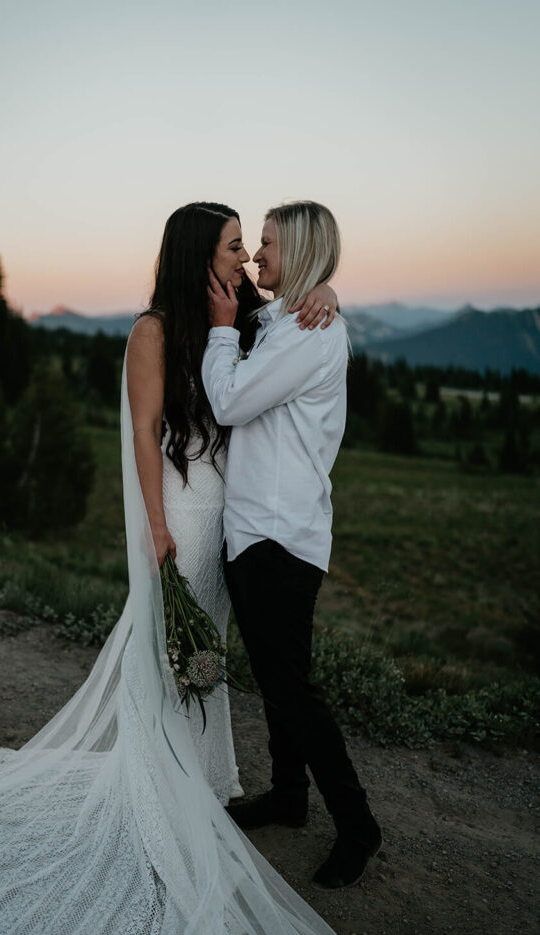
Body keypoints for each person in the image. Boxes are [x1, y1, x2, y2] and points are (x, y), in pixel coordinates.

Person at [0, 202, 414, 935]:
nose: (248, 255)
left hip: (252, 524)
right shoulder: (162, 328)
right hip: (194, 518)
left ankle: (277, 798)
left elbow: (283, 340)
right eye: (235, 244)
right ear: (202, 255)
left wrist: (326, 285)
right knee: (194, 661)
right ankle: (192, 795)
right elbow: (147, 431)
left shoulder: (263, 318)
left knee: (235, 666)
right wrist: (155, 523)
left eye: (255, 244)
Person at [202, 200, 382, 889]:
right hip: (259, 526)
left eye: (269, 244)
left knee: (292, 688)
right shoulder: (288, 318)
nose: (255, 257)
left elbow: (229, 403)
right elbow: (243, 299)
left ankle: (358, 824)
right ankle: (287, 797)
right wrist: (325, 292)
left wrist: (222, 335)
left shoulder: (305, 334)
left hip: (278, 533)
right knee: (277, 682)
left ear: (300, 252)